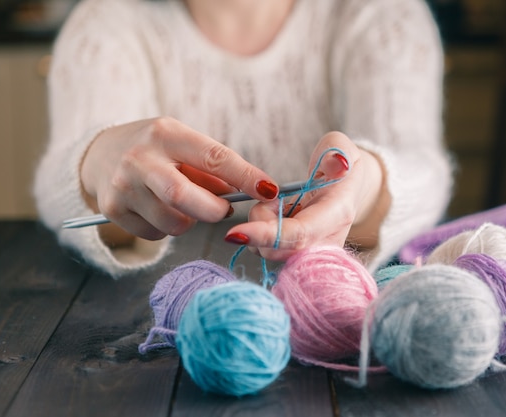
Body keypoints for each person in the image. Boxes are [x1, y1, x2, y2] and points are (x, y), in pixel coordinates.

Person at [34, 0, 453, 277]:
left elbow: (421, 166)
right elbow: (57, 185)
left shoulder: (384, 14)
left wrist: (366, 184)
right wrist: (93, 161)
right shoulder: (105, 21)